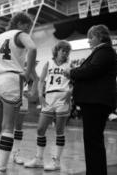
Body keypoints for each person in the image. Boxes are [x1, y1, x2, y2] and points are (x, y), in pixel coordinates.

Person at [0, 12, 37, 175]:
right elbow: (32, 48)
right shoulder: (20, 34)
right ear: (20, 23)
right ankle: (1, 171)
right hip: (10, 78)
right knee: (8, 127)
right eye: (27, 25)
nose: (29, 29)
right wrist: (28, 71)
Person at [64, 24, 117, 175]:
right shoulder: (102, 51)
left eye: (91, 37)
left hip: (96, 101)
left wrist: (72, 72)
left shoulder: (105, 50)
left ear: (100, 36)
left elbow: (92, 70)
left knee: (93, 141)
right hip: (94, 101)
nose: (88, 41)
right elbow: (91, 72)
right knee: (92, 140)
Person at [24, 41, 72, 171]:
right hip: (49, 97)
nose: (65, 54)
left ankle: (56, 162)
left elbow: (76, 81)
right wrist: (40, 95)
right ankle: (38, 159)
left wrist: (70, 92)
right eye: (63, 51)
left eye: (67, 51)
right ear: (57, 51)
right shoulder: (48, 63)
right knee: (40, 129)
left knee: (59, 131)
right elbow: (40, 80)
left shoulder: (69, 65)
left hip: (62, 97)